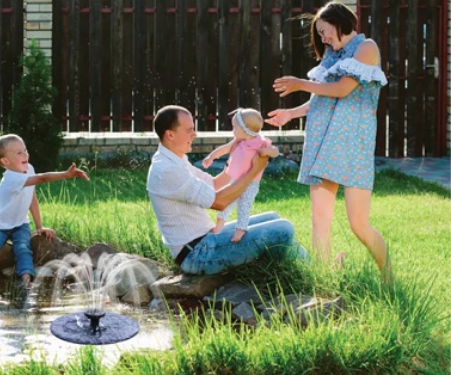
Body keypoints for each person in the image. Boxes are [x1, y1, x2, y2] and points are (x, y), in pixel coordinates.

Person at [264, 1, 391, 281]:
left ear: (340, 22)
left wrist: (299, 83)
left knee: (359, 224)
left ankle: (388, 277)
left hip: (351, 145)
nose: (323, 39)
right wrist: (291, 113)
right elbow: (320, 96)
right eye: (320, 34)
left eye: (325, 31)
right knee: (319, 219)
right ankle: (321, 282)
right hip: (323, 143)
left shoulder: (366, 47)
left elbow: (342, 89)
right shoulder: (332, 55)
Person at [146, 105, 307, 276]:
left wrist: (238, 157)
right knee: (283, 229)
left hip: (205, 241)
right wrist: (253, 170)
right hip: (198, 254)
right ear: (170, 134)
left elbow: (215, 184)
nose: (194, 134)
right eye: (189, 130)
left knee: (274, 217)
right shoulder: (166, 170)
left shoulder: (175, 160)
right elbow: (219, 202)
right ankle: (300, 273)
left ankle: (303, 269)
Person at [0, 134, 90, 288]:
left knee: (23, 249)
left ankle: (26, 278)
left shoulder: (29, 169)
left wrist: (39, 226)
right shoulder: (11, 179)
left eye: (25, 150)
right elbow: (42, 178)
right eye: (19, 153)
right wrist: (66, 175)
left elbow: (32, 198)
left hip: (20, 223)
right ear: (5, 161)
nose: (26, 155)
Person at [202, 108, 280, 242]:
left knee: (244, 204)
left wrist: (266, 151)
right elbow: (224, 149)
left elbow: (276, 152)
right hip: (236, 180)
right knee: (227, 202)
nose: (233, 130)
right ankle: (219, 226)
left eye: (235, 127)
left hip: (251, 182)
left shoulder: (261, 142)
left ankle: (241, 229)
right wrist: (211, 157)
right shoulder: (238, 141)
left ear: (246, 129)